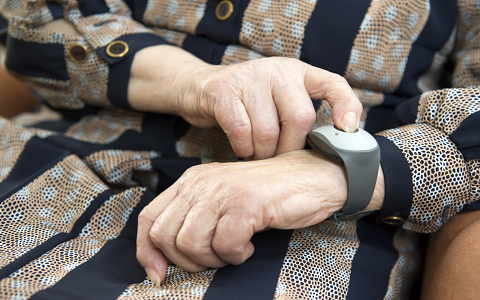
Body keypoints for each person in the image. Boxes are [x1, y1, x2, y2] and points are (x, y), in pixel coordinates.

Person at [0, 0, 478, 299]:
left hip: (309, 232)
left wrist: (334, 171)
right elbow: (39, 20)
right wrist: (196, 81)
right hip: (48, 156)